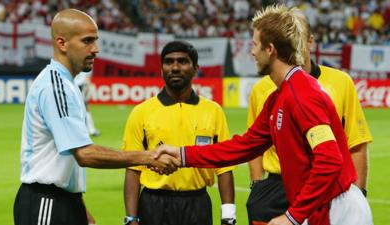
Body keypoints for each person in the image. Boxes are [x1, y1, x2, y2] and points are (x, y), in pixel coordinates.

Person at [155, 5, 373, 225]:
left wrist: (292, 217)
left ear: (270, 49)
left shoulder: (302, 94)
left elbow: (330, 159)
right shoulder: (279, 97)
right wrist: (181, 154)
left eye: (255, 45)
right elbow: (243, 146)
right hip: (317, 206)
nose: (252, 52)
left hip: (337, 208)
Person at [13, 9, 179, 225]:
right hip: (46, 202)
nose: (96, 49)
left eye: (96, 40)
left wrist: (80, 209)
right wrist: (148, 157)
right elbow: (84, 154)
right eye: (87, 41)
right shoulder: (55, 88)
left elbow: (67, 161)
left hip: (63, 199)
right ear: (62, 43)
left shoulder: (66, 84)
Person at [245, 11, 373, 225]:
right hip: (276, 187)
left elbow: (355, 143)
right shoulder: (265, 90)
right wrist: (257, 185)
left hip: (325, 189)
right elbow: (251, 145)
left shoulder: (336, 83)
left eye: (299, 35)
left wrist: (357, 194)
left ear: (310, 41)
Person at [122, 40, 236, 225]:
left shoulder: (213, 111)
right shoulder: (141, 112)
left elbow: (224, 166)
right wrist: (131, 218)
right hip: (153, 203)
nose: (175, 67)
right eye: (169, 62)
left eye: (182, 61)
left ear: (195, 68)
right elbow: (133, 168)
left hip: (197, 204)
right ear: (161, 69)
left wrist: (228, 214)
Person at [74, 71, 100, 136]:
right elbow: (87, 76)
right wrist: (89, 85)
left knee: (82, 107)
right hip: (80, 86)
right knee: (84, 108)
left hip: (76, 85)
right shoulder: (87, 62)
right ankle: (91, 130)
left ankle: (88, 130)